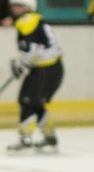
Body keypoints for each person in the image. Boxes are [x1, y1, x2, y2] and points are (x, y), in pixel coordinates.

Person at [6, 0, 63, 153]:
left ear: (27, 7)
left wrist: (21, 64)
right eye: (13, 6)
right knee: (36, 103)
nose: (14, 9)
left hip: (44, 69)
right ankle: (50, 138)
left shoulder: (27, 20)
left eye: (18, 6)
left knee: (27, 101)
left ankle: (25, 139)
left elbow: (32, 48)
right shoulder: (37, 19)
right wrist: (21, 62)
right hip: (53, 68)